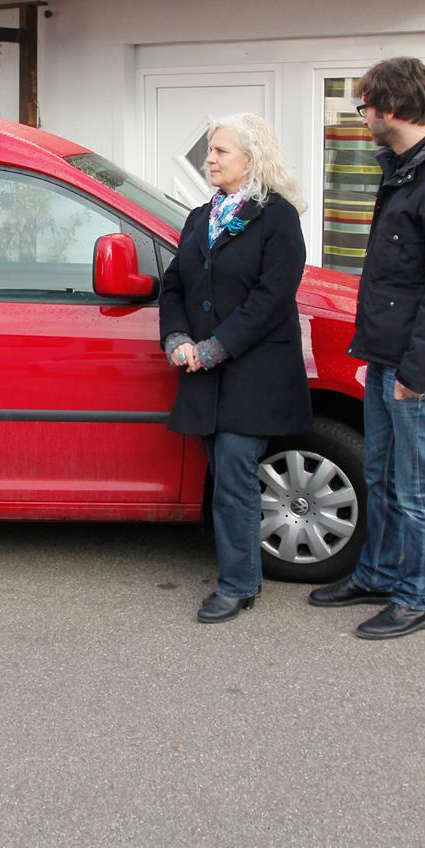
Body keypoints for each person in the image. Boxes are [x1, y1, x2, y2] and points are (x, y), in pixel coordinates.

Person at [308, 57, 425, 640]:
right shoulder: (405, 167)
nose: (361, 118)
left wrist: (417, 368)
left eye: (363, 107)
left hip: (417, 365)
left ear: (389, 107)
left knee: (418, 486)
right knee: (383, 475)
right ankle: (378, 574)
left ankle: (418, 598)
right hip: (384, 356)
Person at [159, 113, 311, 624]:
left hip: (253, 370)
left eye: (221, 151)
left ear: (252, 158)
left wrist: (216, 347)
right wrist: (178, 337)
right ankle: (240, 574)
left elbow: (271, 298)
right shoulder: (200, 217)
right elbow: (174, 285)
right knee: (225, 472)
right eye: (210, 150)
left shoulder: (278, 218)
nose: (211, 159)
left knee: (234, 475)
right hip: (204, 371)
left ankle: (238, 584)